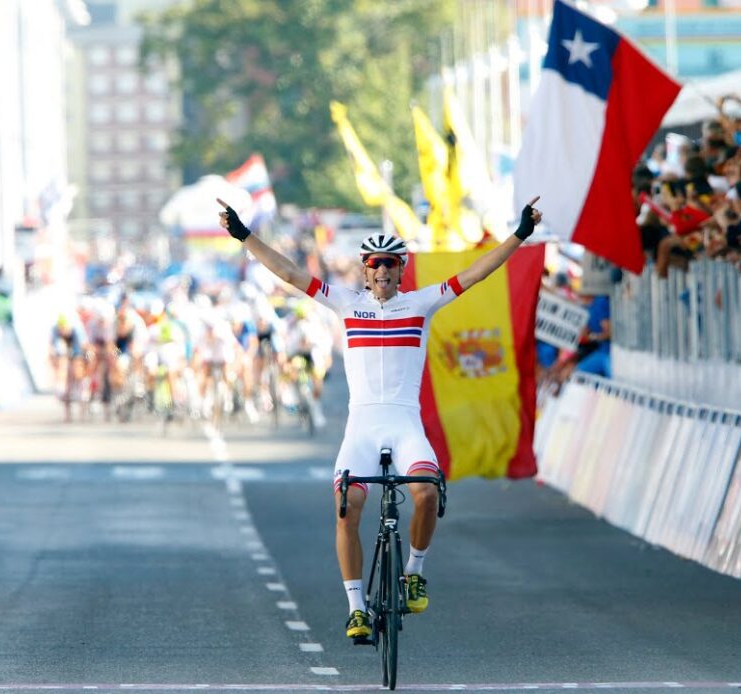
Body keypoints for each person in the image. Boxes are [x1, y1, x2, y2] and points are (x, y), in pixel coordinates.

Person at [218, 194, 543, 641]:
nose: (383, 271)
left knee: (427, 495)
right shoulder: (346, 303)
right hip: (362, 429)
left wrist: (520, 235)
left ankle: (414, 571)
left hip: (406, 424)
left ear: (401, 269)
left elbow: (475, 273)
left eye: (391, 264)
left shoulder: (422, 304)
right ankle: (356, 608)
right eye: (375, 264)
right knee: (347, 508)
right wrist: (243, 235)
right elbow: (291, 273)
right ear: (365, 270)